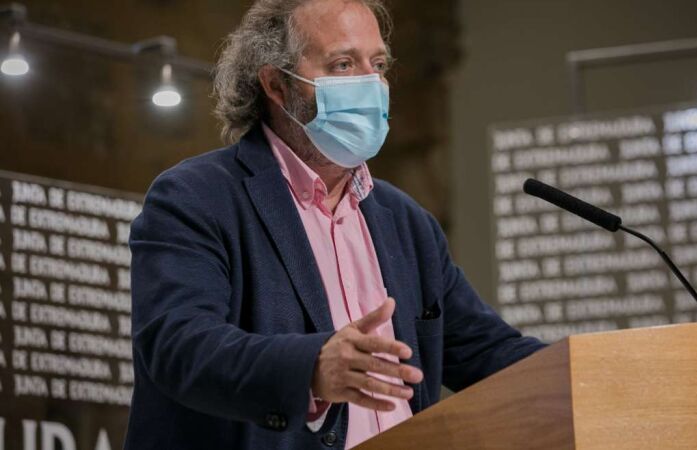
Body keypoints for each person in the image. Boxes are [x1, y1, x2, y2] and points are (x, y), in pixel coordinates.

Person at [123, 0, 546, 448]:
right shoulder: (196, 197)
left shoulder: (407, 223)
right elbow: (179, 346)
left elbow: (487, 351)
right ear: (276, 85)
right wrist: (311, 368)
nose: (370, 83)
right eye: (343, 64)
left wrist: (589, 367)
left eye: (377, 65)